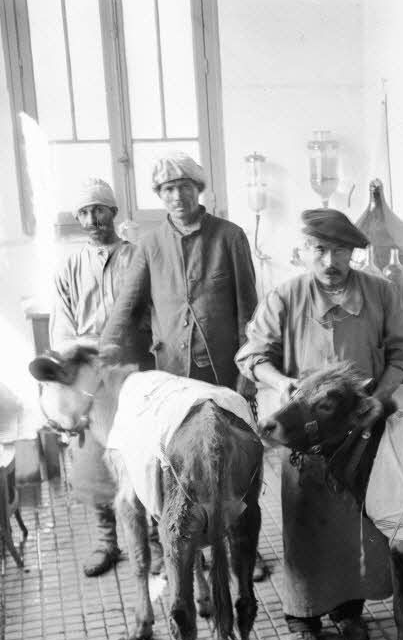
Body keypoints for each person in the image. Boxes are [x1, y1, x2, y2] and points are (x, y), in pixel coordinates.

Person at [236, 208, 403, 640]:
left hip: (360, 428)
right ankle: (303, 617)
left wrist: (382, 397)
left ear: (354, 252)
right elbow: (252, 355)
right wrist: (281, 383)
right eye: (319, 249)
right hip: (305, 429)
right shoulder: (286, 296)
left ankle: (348, 609)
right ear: (304, 251)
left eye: (339, 250)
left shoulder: (381, 293)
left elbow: (402, 356)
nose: (329, 259)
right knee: (304, 518)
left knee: (358, 517)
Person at [49, 178, 154, 576]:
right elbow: (61, 330)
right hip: (90, 376)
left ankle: (153, 541)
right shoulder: (70, 267)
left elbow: (151, 312)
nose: (93, 219)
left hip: (133, 368)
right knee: (93, 456)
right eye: (84, 212)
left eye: (99, 209)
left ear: (114, 211)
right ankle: (107, 540)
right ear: (78, 219)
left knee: (142, 454)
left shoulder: (137, 257)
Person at [100, 151, 258, 395]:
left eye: (185, 187)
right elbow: (126, 305)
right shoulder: (150, 244)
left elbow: (247, 310)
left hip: (222, 368)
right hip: (171, 369)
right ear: (160, 195)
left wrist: (247, 371)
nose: (177, 196)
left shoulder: (230, 236)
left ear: (198, 189)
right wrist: (103, 351)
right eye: (168, 189)